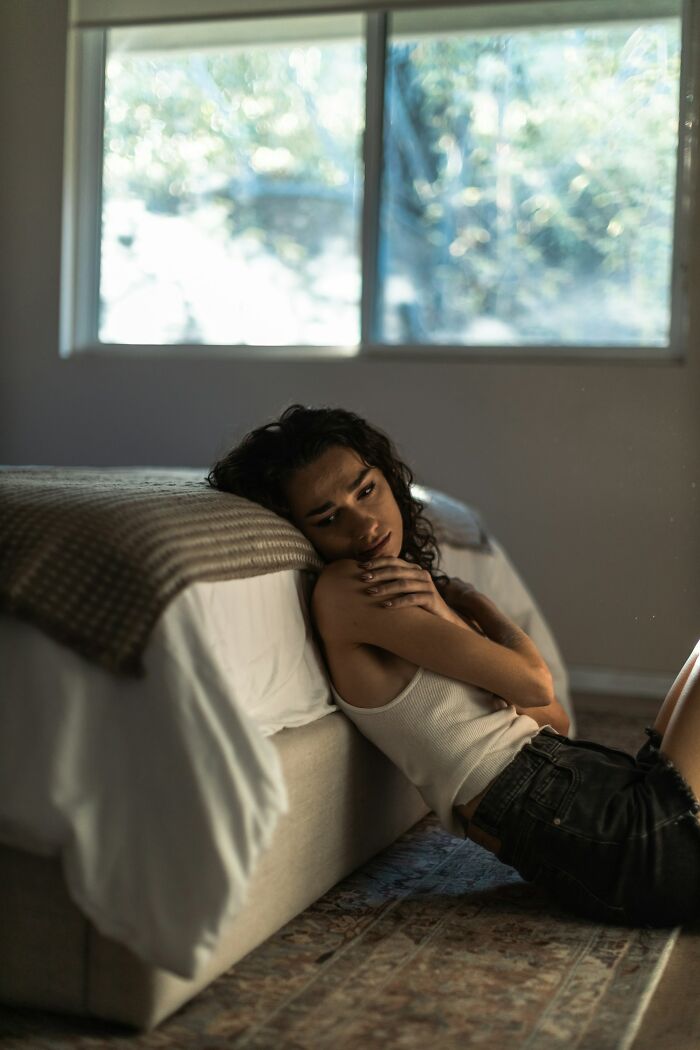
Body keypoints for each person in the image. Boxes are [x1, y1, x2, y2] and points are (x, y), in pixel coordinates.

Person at [208, 403, 700, 927]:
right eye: (329, 518)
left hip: (608, 808)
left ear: (389, 479)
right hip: (619, 840)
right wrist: (476, 606)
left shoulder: (410, 595)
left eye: (366, 490)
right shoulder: (349, 591)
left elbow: (551, 719)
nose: (364, 523)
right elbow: (533, 682)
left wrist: (446, 609)